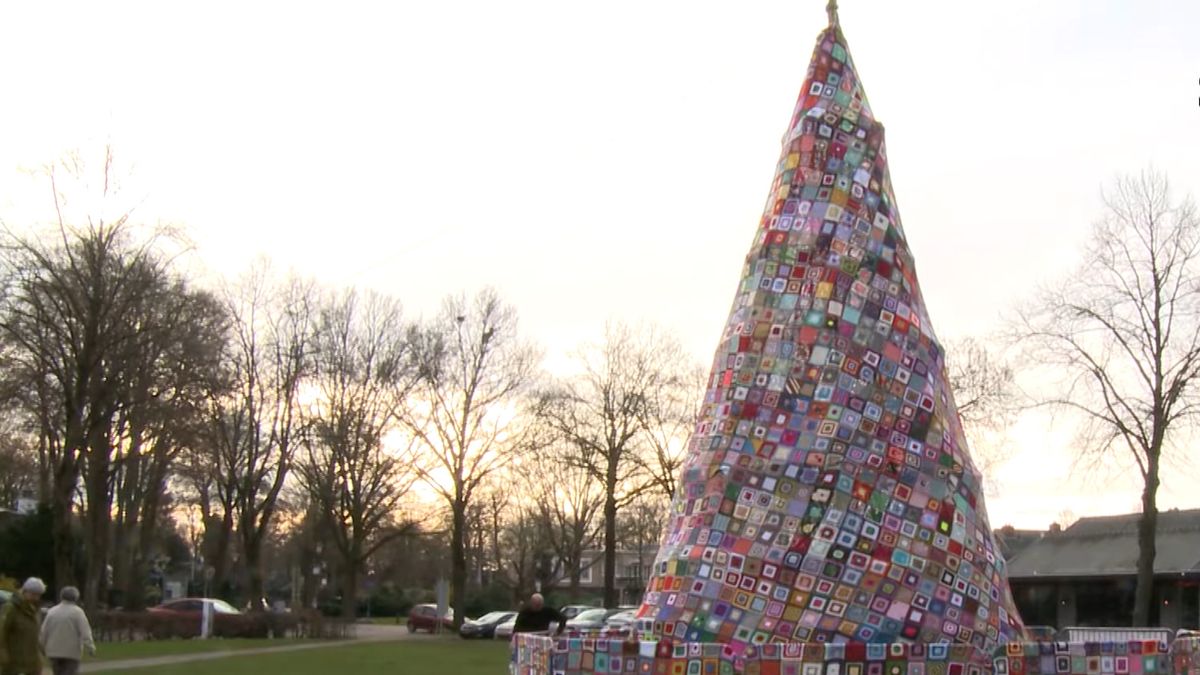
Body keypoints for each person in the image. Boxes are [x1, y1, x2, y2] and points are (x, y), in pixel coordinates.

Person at [40, 586, 95, 675]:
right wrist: (90, 646)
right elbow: (85, 631)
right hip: (71, 652)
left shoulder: (52, 611)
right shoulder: (77, 612)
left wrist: (42, 647)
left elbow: (44, 631)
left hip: (53, 651)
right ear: (76, 598)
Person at [0, 577, 45, 675]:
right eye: (33, 594)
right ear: (24, 591)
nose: (35, 597)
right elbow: (2, 632)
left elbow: (36, 635)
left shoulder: (35, 610)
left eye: (38, 595)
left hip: (33, 663)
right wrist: (3, 654)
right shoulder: (11, 608)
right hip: (15, 662)